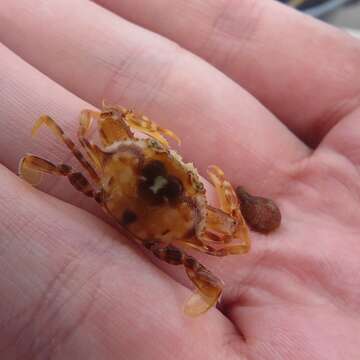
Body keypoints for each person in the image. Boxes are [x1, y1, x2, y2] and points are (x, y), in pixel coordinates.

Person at [0, 1, 359, 359]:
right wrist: (213, 191)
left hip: (109, 186)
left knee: (69, 157)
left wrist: (147, 138)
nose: (185, 173)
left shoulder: (109, 158)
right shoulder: (194, 221)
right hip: (156, 233)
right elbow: (236, 243)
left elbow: (94, 120)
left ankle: (36, 172)